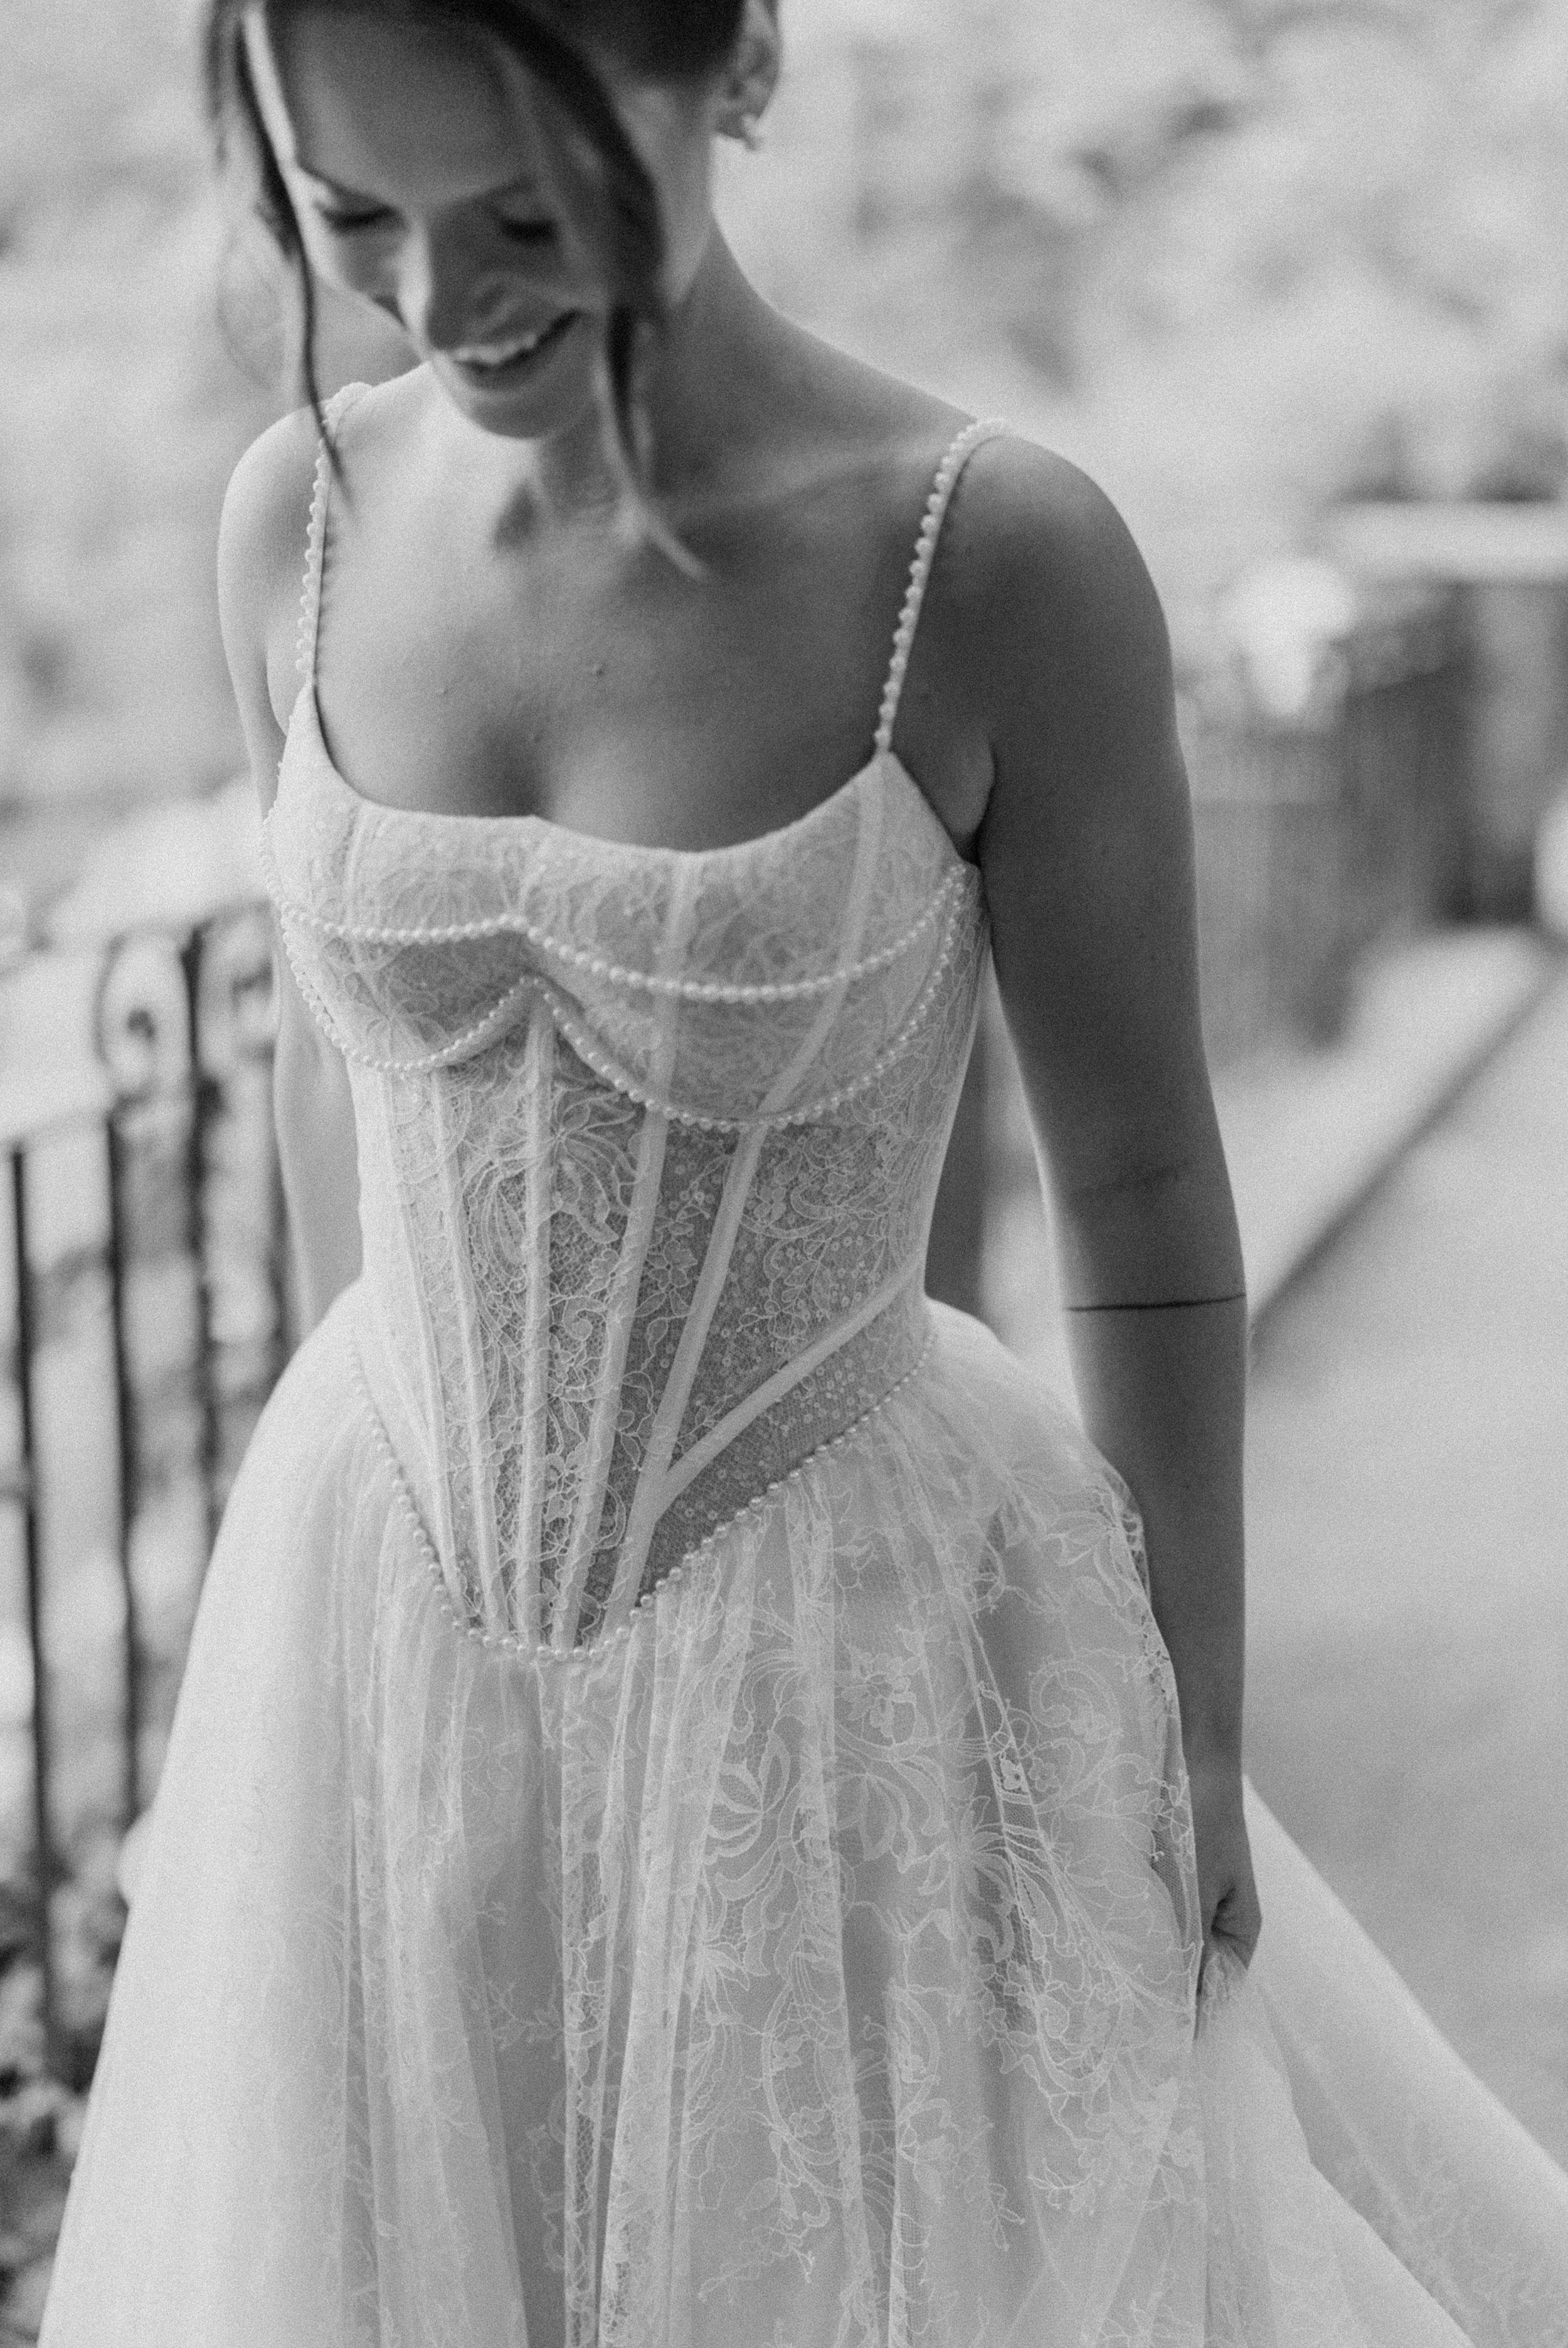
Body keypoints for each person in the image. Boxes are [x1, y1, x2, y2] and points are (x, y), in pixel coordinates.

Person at [40, 4, 1568, 2342]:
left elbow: (1140, 1188)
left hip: (838, 1651)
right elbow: (334, 1092)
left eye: (524, 215)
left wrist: (1188, 1721)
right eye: (354, 217)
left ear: (730, 71)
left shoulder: (989, 556)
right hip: (374, 1609)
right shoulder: (297, 520)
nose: (441, 303)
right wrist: (299, 1628)